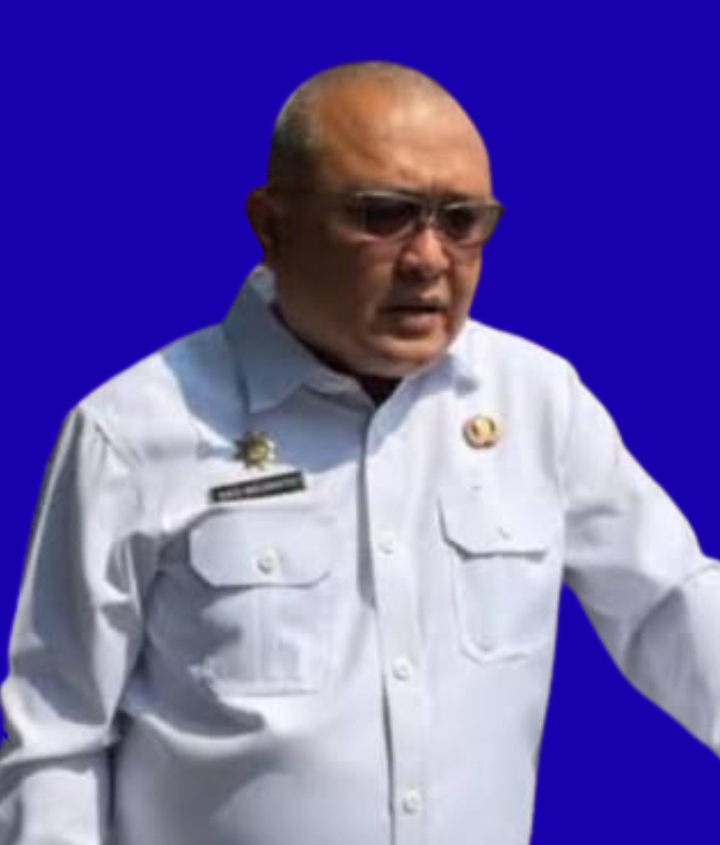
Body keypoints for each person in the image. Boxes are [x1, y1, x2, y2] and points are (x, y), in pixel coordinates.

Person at [0, 60, 718, 845]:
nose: (430, 258)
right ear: (272, 225)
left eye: (462, 221)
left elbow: (670, 605)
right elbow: (57, 734)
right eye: (384, 215)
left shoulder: (538, 402)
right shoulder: (135, 432)